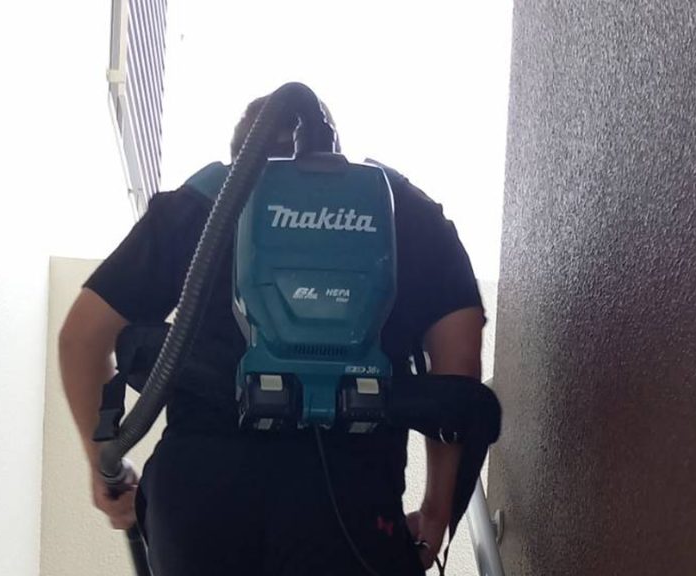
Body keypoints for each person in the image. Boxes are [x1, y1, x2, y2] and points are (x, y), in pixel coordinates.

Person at [59, 95, 485, 576]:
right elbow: (459, 366)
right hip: (353, 500)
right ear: (333, 153)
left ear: (240, 156)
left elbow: (81, 337)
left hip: (201, 497)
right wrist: (437, 510)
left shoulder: (199, 204)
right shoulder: (405, 210)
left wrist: (103, 467)